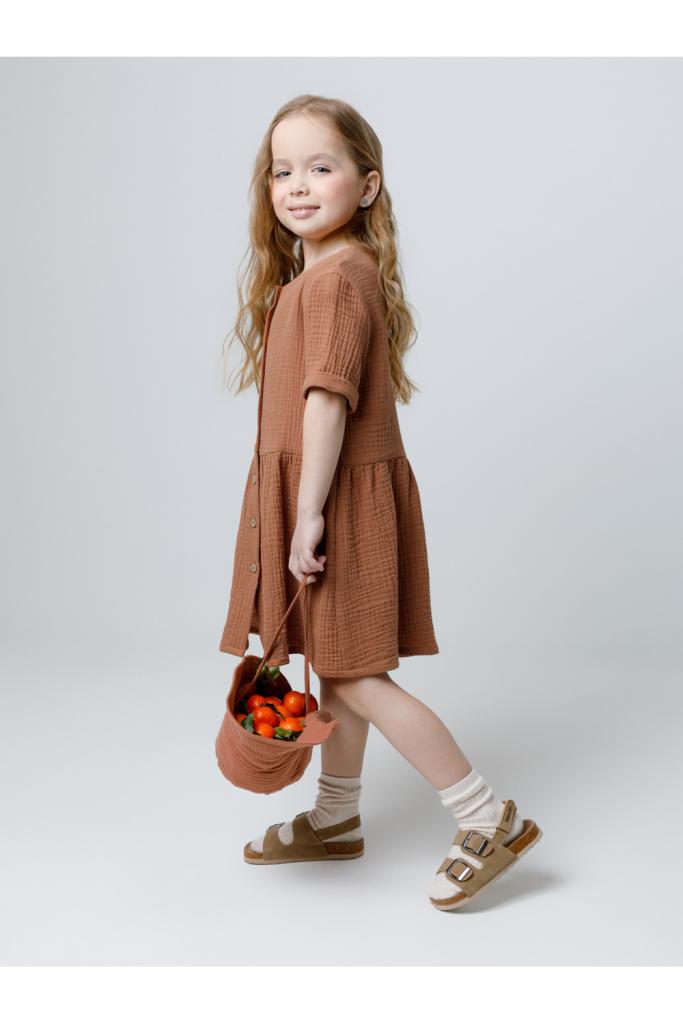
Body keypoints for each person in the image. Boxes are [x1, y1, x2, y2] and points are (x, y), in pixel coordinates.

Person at [219, 94, 542, 910]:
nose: (297, 185)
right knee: (336, 666)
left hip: (334, 502)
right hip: (326, 494)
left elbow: (327, 402)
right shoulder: (319, 276)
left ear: (365, 186)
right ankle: (336, 818)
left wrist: (309, 514)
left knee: (358, 676)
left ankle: (486, 817)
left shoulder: (337, 280)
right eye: (281, 171)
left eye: (319, 167)